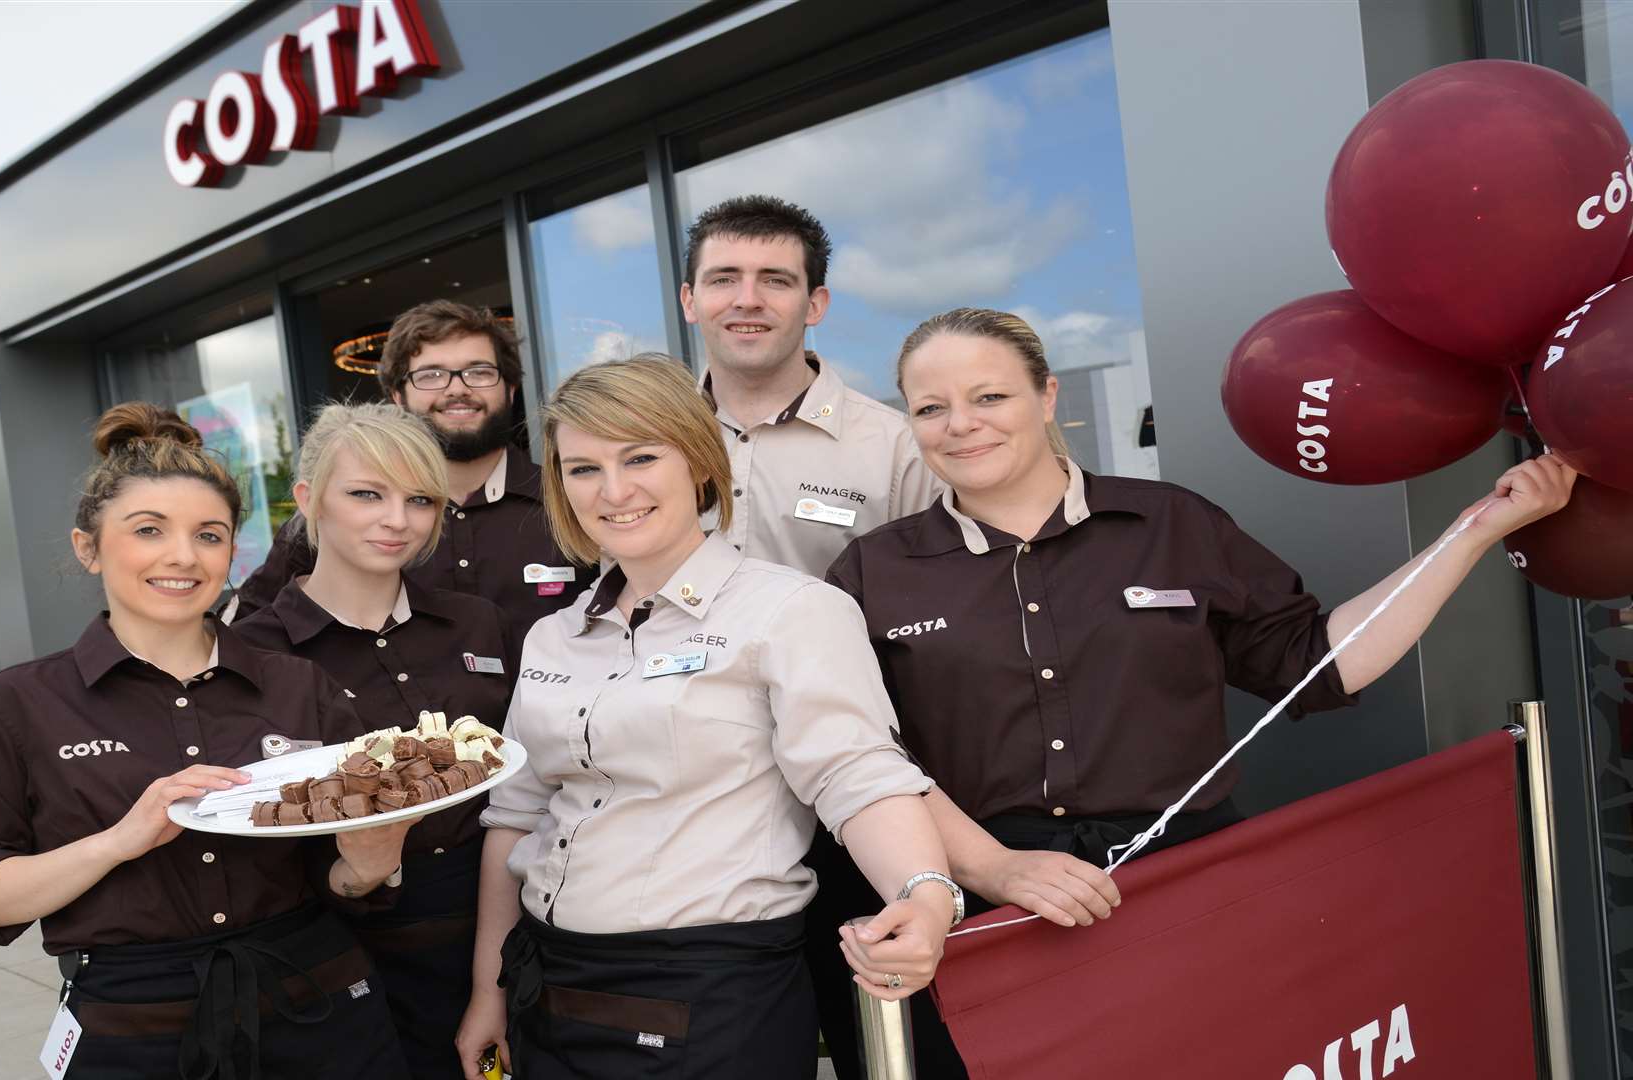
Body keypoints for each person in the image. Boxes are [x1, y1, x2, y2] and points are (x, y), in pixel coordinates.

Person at [811, 307, 1578, 1079]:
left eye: (990, 398)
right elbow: (873, 756)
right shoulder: (873, 572)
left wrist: (1474, 531)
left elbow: (1317, 663)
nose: (961, 425)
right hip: (988, 910)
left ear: (1046, 398)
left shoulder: (1174, 524)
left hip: (1190, 885)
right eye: (930, 408)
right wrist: (993, 871)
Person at [454, 357, 963, 1080]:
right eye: (583, 468)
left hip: (710, 995)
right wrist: (488, 992)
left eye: (640, 457)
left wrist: (924, 892)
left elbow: (858, 773)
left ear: (697, 459)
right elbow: (517, 818)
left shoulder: (791, 611)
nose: (615, 490)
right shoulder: (552, 637)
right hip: (549, 987)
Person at [0, 402, 414, 1079]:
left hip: (321, 1010)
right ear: (87, 546)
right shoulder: (11, 707)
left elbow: (346, 876)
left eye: (209, 535)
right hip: (133, 1029)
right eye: (149, 530)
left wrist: (370, 861)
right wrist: (120, 840)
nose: (183, 557)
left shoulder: (300, 687)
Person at [234, 402, 513, 1080]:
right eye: (367, 494)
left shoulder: (477, 624)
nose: (398, 520)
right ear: (309, 500)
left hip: (500, 932)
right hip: (339, 952)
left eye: (420, 499)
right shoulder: (251, 653)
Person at [233, 301, 597, 647]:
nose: (457, 388)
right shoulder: (337, 516)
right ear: (397, 396)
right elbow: (242, 637)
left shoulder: (567, 497)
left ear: (511, 389)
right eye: (432, 375)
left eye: (479, 372)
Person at [680, 195, 945, 576]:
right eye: (724, 279)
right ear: (690, 301)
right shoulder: (645, 440)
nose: (748, 300)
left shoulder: (899, 451)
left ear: (815, 305)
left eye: (775, 281)